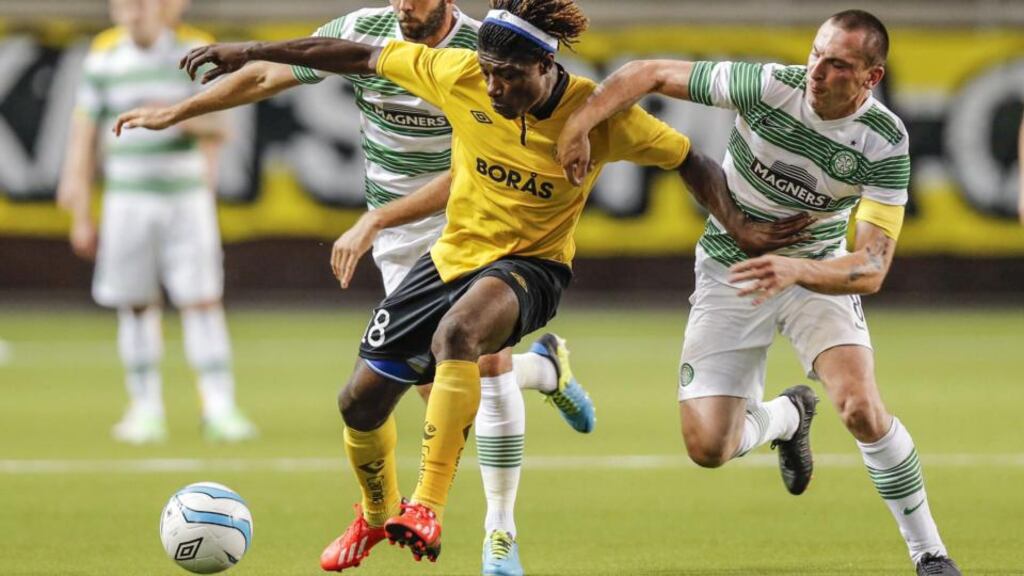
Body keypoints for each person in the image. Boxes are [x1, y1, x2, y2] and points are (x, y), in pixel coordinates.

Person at [118, 0, 805, 570]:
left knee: (462, 338)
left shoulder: (600, 116)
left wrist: (738, 223)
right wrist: (251, 49)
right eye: (489, 76)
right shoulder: (461, 72)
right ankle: (377, 516)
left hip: (531, 268)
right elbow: (358, 56)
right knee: (359, 403)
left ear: (547, 65)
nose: (495, 88)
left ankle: (440, 510)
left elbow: (689, 158)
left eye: (510, 77)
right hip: (445, 255)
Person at [115, 2, 599, 574]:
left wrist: (378, 219)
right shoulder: (360, 31)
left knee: (480, 365)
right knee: (433, 383)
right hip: (398, 242)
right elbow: (268, 73)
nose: (403, 5)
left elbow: (479, 165)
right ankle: (542, 373)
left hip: (476, 220)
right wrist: (179, 113)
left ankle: (500, 535)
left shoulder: (486, 51)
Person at [557, 9, 959, 576]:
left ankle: (931, 555)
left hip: (814, 273)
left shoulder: (884, 140)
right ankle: (789, 417)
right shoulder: (769, 85)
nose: (817, 71)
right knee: (708, 449)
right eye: (816, 54)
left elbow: (870, 267)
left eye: (837, 64)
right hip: (731, 270)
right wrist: (578, 126)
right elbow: (646, 73)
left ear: (871, 77)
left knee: (862, 409)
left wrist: (796, 270)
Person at [57, 0, 256, 445]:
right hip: (126, 202)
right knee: (135, 303)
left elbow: (222, 127)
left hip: (185, 201)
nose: (134, 10)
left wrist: (175, 118)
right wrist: (80, 209)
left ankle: (219, 407)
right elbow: (84, 135)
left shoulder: (195, 49)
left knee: (202, 300)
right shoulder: (104, 56)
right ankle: (145, 409)